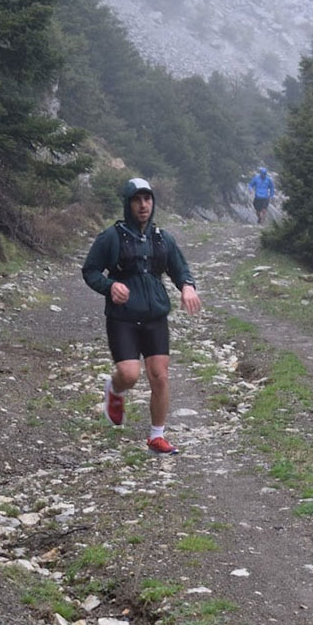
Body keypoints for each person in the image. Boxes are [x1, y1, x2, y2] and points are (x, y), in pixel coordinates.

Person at [82, 178, 202, 454]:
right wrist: (110, 286)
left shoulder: (163, 238)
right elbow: (89, 271)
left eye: (147, 199)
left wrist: (186, 287)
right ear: (128, 204)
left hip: (155, 314)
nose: (143, 205)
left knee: (159, 375)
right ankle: (114, 388)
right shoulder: (111, 237)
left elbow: (180, 269)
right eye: (137, 200)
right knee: (130, 374)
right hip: (123, 317)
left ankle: (156, 436)